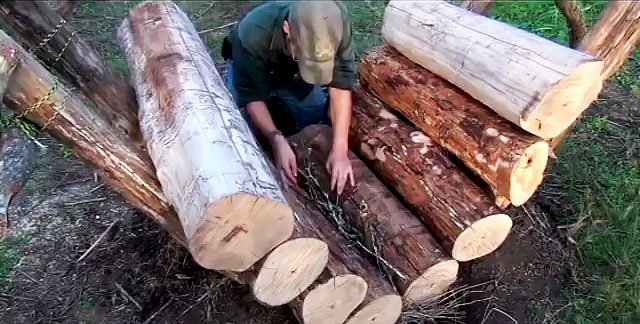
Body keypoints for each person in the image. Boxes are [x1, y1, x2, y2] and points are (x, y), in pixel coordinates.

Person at [221, 0, 356, 195]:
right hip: (253, 65)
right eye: (303, 56)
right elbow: (251, 96)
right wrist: (275, 139)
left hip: (293, 74)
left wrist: (340, 149)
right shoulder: (253, 33)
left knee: (312, 115)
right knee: (243, 130)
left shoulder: (335, 19)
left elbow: (341, 85)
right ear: (287, 29)